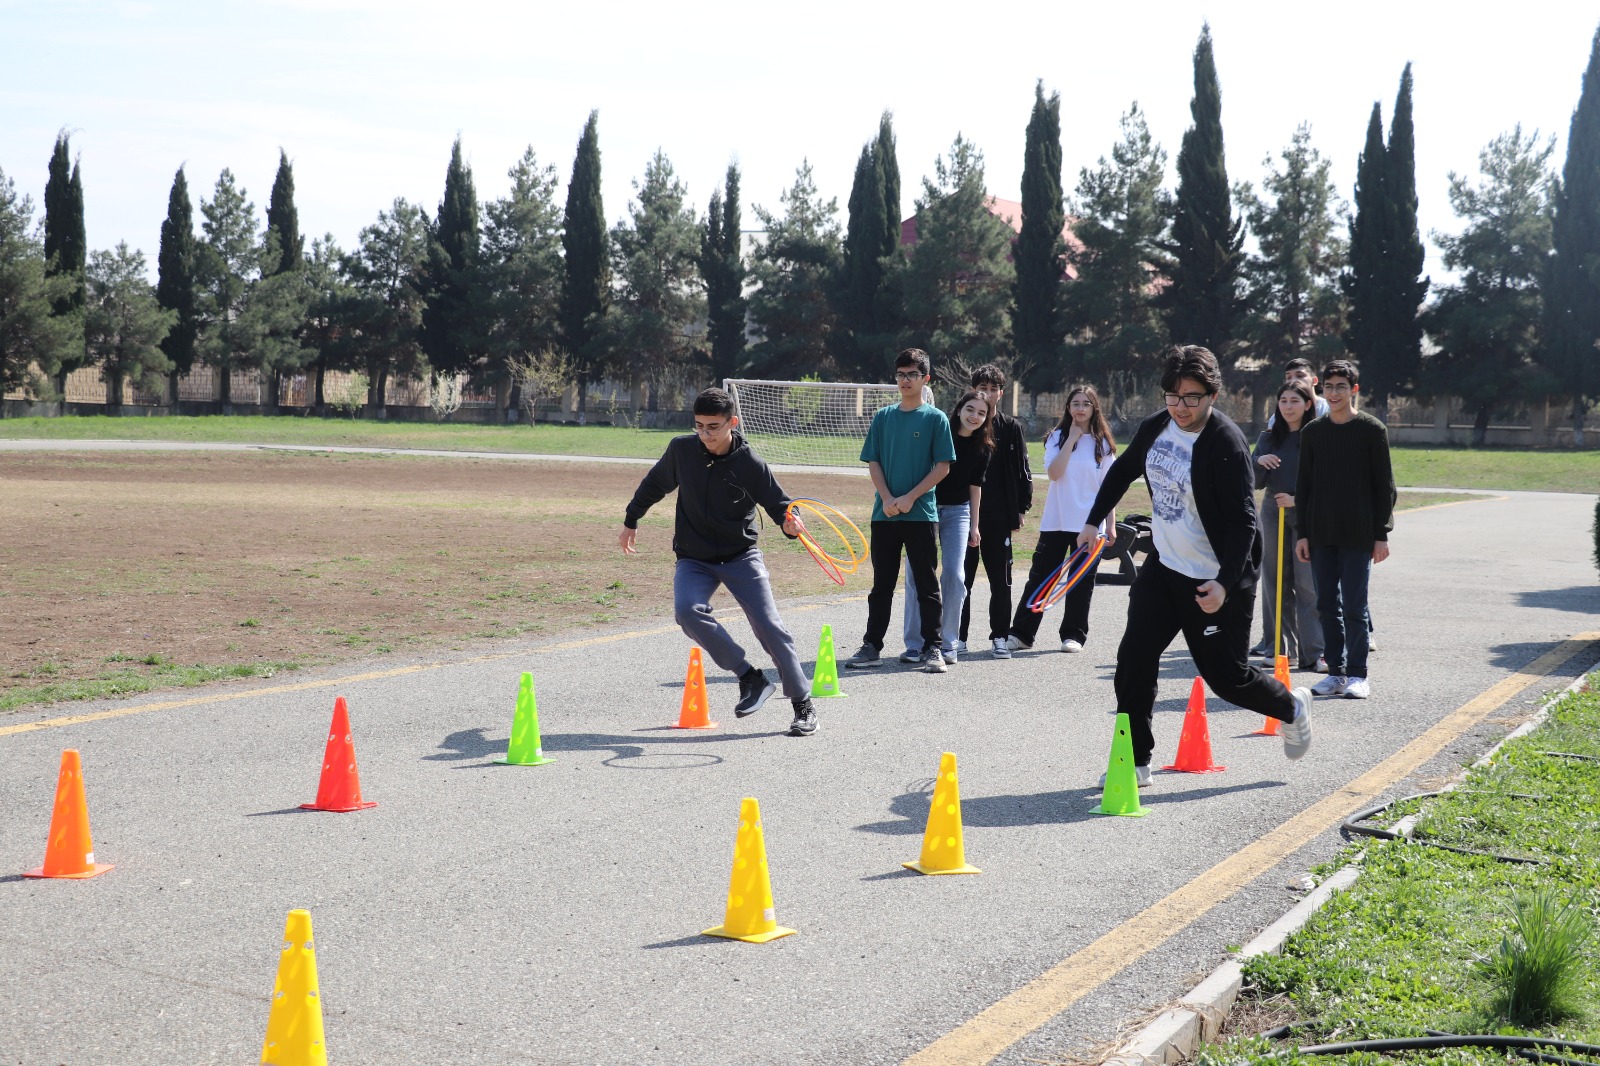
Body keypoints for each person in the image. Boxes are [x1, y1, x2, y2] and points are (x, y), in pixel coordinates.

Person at [1081, 346, 1313, 784]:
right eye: (1172, 395)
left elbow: (1244, 523)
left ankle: (1291, 707)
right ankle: (1134, 760)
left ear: (1212, 395)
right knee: (1134, 660)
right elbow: (1123, 470)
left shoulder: (1226, 443)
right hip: (1165, 568)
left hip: (1215, 575)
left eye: (1191, 397)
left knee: (1227, 678)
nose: (1180, 406)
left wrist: (1225, 583)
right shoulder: (1158, 426)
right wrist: (1093, 521)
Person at [621, 388, 818, 737]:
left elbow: (780, 504)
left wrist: (790, 522)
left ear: (732, 423)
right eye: (699, 426)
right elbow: (654, 484)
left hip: (741, 555)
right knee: (686, 611)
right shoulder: (682, 450)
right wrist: (631, 520)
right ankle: (750, 677)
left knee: (771, 628)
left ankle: (802, 702)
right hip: (694, 557)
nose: (705, 435)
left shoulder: (749, 463)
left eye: (713, 427)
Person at [845, 349, 956, 672]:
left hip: (921, 515)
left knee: (926, 584)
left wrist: (909, 497)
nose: (905, 380)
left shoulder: (936, 419)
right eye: (900, 375)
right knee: (882, 585)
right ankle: (871, 646)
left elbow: (942, 467)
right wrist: (888, 497)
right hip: (885, 515)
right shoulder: (883, 417)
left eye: (912, 375)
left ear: (926, 379)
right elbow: (874, 461)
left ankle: (932, 647)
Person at [1295, 360, 1395, 701]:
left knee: (1354, 605)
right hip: (1322, 532)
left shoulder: (1371, 429)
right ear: (1320, 388)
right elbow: (1304, 486)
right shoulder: (1313, 433)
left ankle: (1357, 674)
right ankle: (1335, 672)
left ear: (1354, 389)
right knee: (1326, 604)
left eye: (1341, 386)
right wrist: (1302, 533)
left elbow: (1385, 486)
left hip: (1358, 533)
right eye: (1328, 386)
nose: (1333, 392)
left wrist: (1381, 534)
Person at [1006, 385, 1116, 655]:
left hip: (1090, 527)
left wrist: (1110, 525)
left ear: (1094, 408)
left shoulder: (1104, 444)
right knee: (1041, 579)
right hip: (1056, 522)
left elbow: (1109, 489)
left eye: (1086, 404)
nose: (1080, 408)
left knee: (1080, 582)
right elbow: (1054, 474)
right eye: (1075, 403)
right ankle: (1022, 634)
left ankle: (1073, 634)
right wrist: (1071, 439)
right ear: (1068, 408)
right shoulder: (1056, 437)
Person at [900, 389, 992, 665]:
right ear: (959, 409)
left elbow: (975, 488)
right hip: (925, 509)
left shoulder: (984, 447)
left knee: (954, 575)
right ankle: (914, 644)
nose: (974, 416)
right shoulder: (940, 432)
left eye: (981, 413)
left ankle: (948, 643)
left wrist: (975, 525)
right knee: (916, 575)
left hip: (958, 513)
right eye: (970, 409)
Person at [959, 364, 1034, 659]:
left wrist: (1020, 508)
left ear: (1001, 393)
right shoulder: (962, 425)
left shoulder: (1010, 427)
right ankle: (958, 637)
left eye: (993, 389)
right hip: (962, 515)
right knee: (960, 578)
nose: (987, 395)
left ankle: (1000, 636)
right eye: (982, 388)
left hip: (998, 515)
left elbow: (1022, 471)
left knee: (1000, 580)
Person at [1252, 381, 1324, 670]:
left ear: (1307, 404)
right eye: (1283, 401)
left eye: (1295, 400)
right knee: (1274, 580)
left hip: (1306, 512)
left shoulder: (1318, 436)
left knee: (1307, 583)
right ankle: (1279, 649)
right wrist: (1259, 461)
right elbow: (1254, 482)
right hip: (1273, 509)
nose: (1288, 406)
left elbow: (1326, 479)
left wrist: (1298, 500)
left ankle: (1315, 653)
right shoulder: (1269, 437)